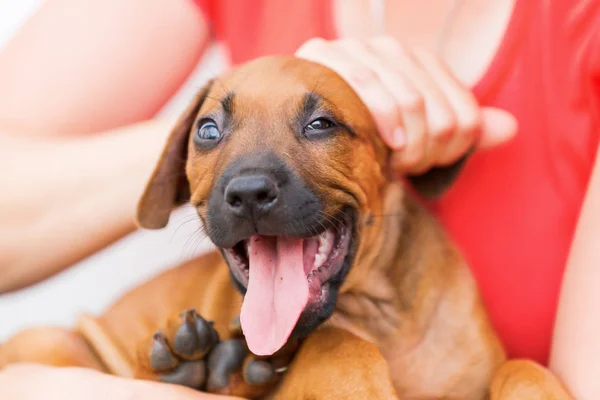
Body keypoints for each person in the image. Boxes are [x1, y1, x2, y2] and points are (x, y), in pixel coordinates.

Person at [0, 0, 598, 398]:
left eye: (319, 124)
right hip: (87, 364)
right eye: (212, 131)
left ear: (393, 160)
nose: (251, 182)